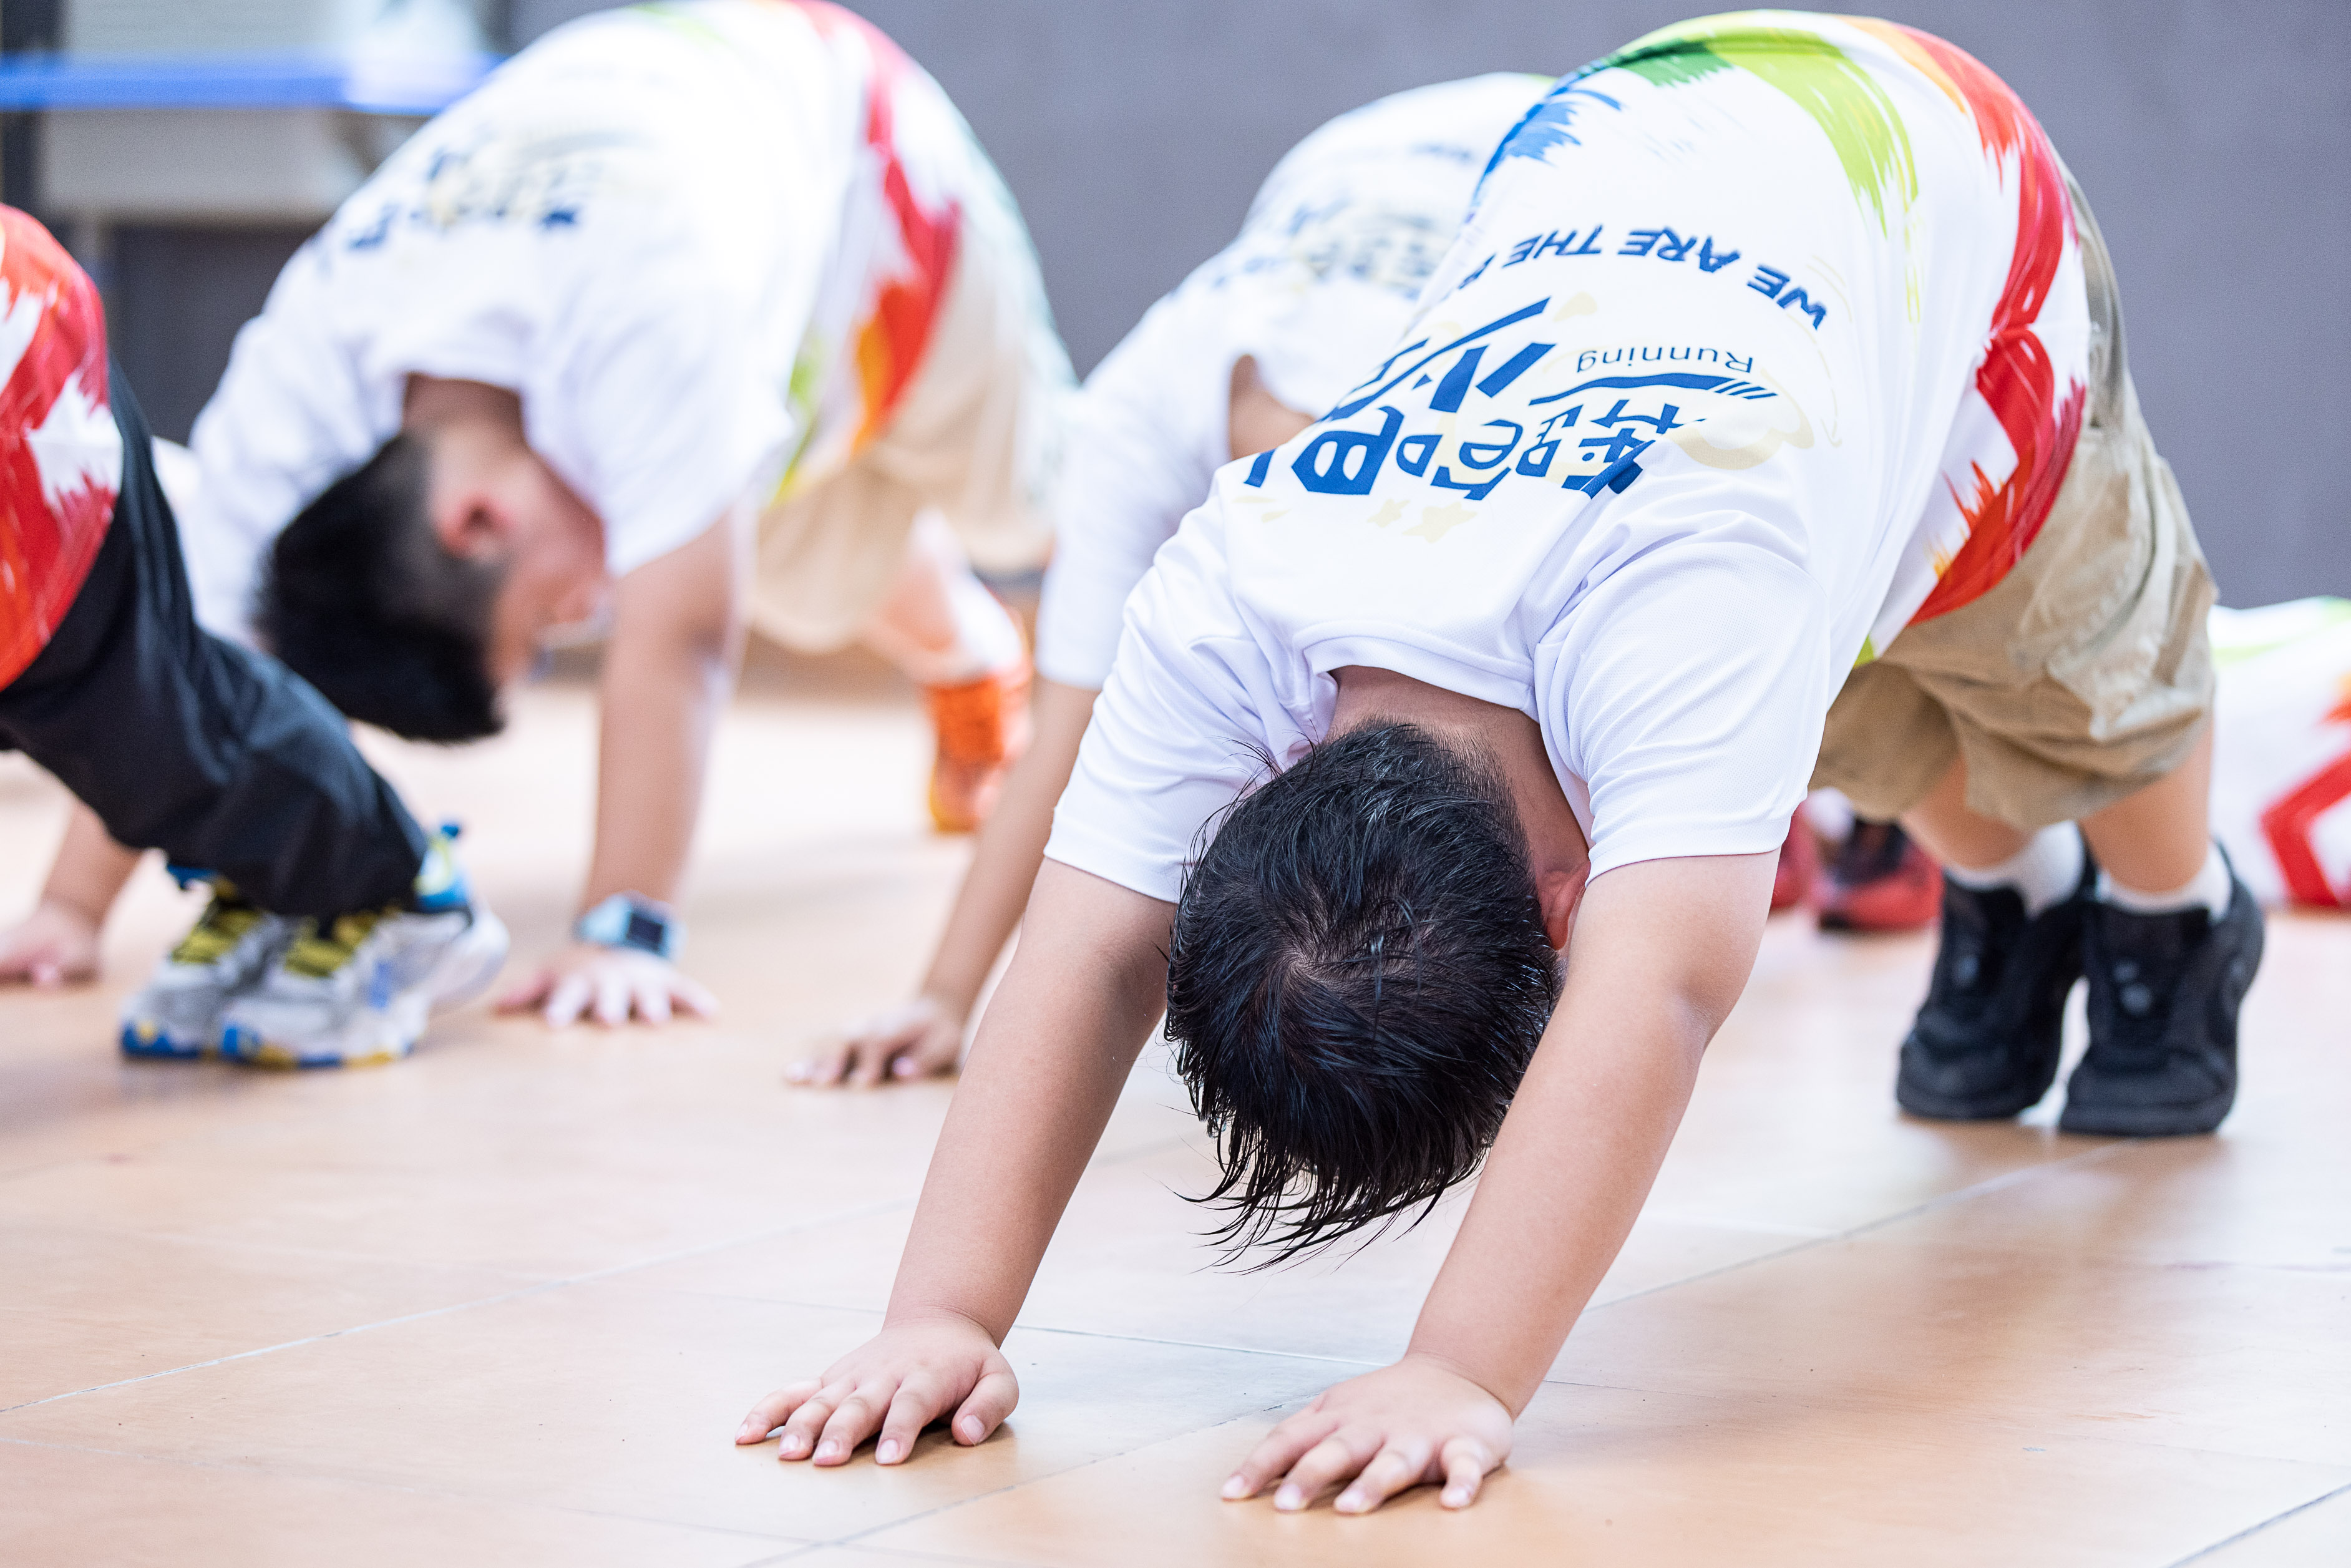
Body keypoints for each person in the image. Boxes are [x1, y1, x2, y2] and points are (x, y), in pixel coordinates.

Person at [734, 14, 2262, 1516]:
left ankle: (2173, 921)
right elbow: (1094, 946)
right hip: (1625, 179)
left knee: (2073, 665)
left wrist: (1462, 1364)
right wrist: (943, 1311)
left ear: (1558, 908)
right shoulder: (1236, 585)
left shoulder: (1693, 576)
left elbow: (1657, 989)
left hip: (1921, 167)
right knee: (1839, 711)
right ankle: (2009, 896)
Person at [0, 0, 1069, 1029]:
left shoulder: (648, 318)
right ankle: (973, 657)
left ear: (476, 522)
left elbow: (682, 645)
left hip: (862, 158)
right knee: (800, 563)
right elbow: (180, 656)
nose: (583, 613)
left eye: (545, 622)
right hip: (686, 200)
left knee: (1031, 510)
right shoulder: (302, 375)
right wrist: (72, 908)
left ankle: (1022, 610)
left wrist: (623, 928)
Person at [794, 72, 1559, 1086]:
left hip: (1556, 161)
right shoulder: (1128, 435)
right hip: (1352, 163)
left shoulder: (1478, 439)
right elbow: (1065, 732)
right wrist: (944, 994)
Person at [0, 205, 504, 1068]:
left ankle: (396, 889)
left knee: (149, 725)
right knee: (140, 717)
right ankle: (304, 873)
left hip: (22, 411)